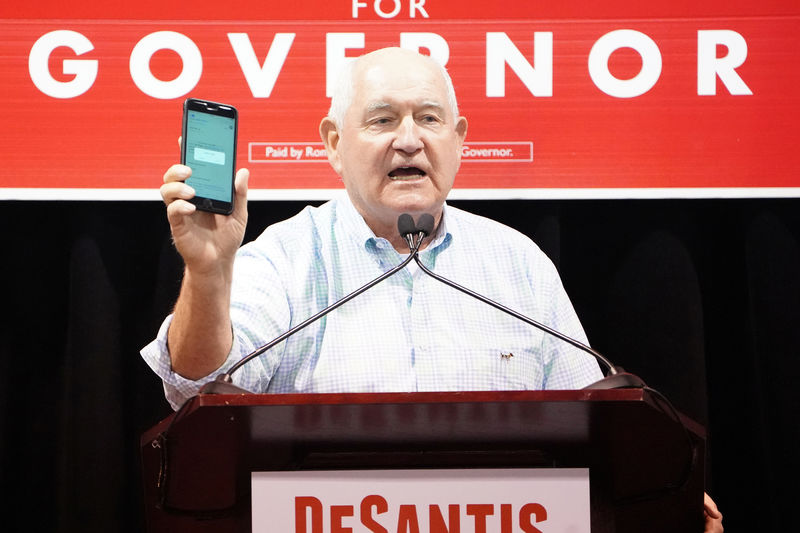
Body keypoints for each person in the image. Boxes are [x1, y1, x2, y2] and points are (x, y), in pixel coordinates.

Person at [141, 47, 722, 533]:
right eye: (382, 119)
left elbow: (596, 423)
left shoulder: (517, 264)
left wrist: (649, 495)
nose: (409, 140)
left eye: (429, 118)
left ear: (460, 138)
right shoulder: (286, 257)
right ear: (333, 143)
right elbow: (194, 389)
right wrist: (210, 274)